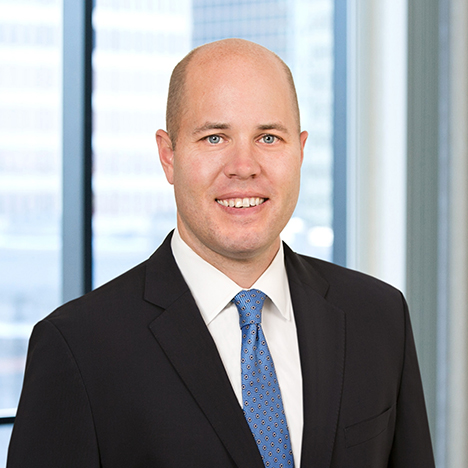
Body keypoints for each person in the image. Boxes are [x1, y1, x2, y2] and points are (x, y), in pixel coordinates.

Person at [8, 38, 435, 467]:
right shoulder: (78, 348)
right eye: (215, 138)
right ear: (168, 155)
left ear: (301, 151)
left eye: (269, 137)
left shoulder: (379, 318)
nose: (244, 165)